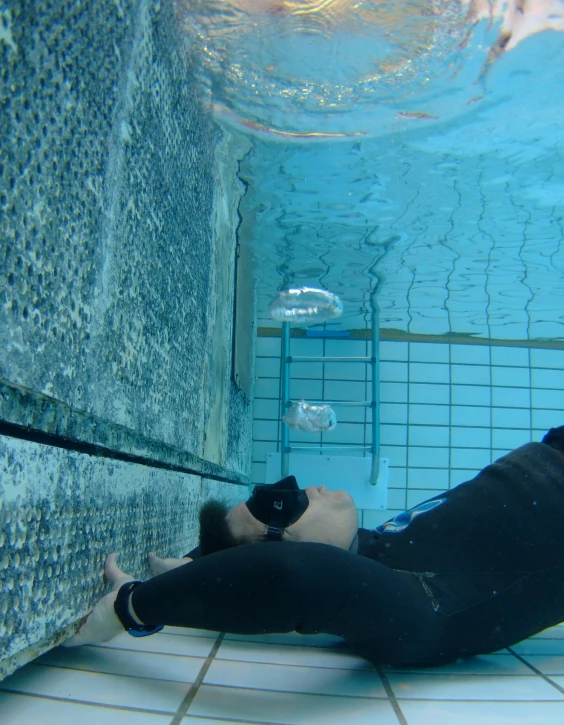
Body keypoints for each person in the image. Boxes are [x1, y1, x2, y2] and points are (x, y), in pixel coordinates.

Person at [65, 427, 564, 668]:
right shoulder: (415, 607)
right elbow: (297, 577)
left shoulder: (378, 550)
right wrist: (130, 607)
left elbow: (263, 568)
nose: (307, 490)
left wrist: (186, 570)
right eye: (279, 511)